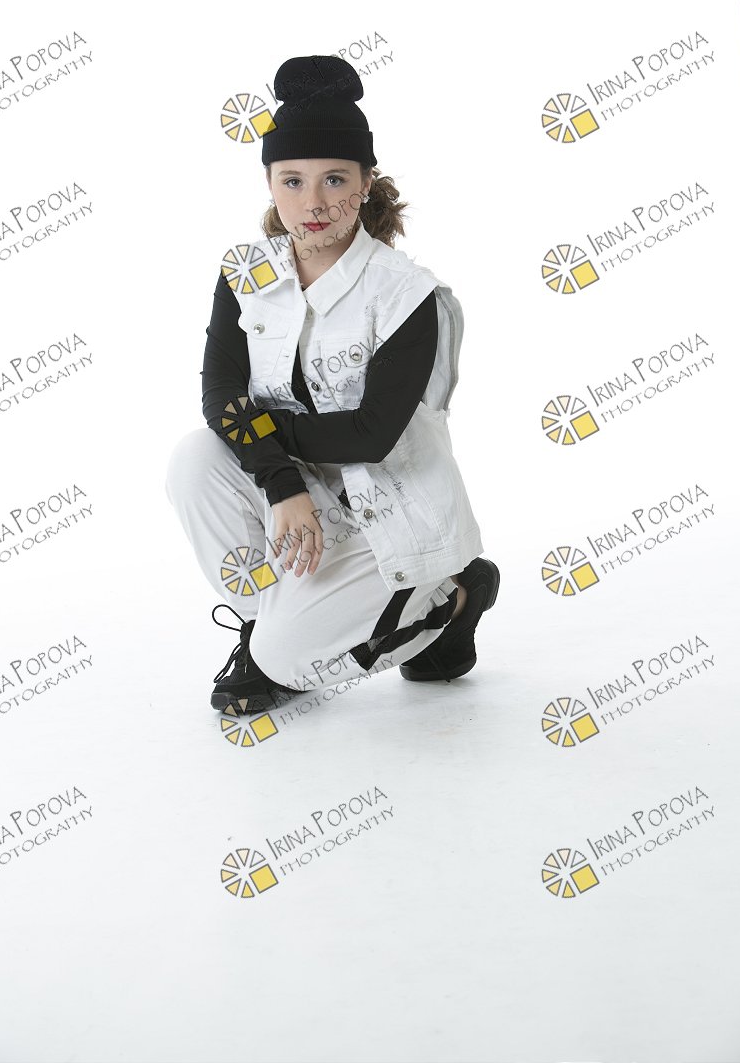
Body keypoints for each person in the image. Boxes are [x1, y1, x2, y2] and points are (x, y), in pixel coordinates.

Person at [165, 54, 500, 716]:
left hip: (393, 516)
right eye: (292, 180)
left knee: (291, 660)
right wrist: (281, 481)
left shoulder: (407, 295)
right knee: (194, 459)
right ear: (269, 182)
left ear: (366, 183)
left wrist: (262, 436)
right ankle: (271, 632)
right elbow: (219, 397)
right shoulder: (245, 273)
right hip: (303, 501)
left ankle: (455, 596)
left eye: (335, 180)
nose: (313, 203)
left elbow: (370, 436)